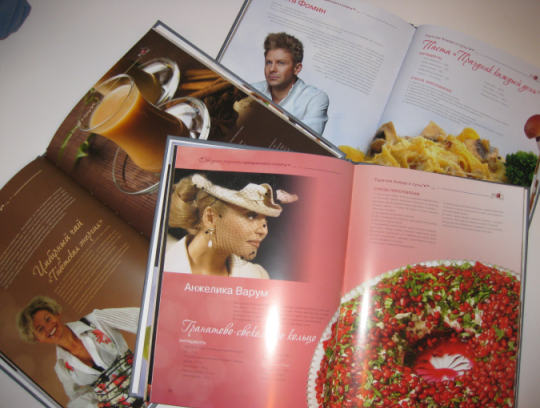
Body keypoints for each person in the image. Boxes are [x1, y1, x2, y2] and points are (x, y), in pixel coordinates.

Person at [16, 296, 144, 408]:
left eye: (48, 319)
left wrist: (151, 359)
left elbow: (143, 319)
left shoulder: (96, 320)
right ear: (38, 339)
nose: (48, 327)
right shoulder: (62, 367)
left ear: (57, 314)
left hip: (150, 388)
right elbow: (76, 398)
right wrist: (93, 406)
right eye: (40, 329)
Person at [164, 172, 297, 278]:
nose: (264, 231)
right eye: (251, 216)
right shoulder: (160, 263)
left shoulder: (258, 276)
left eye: (265, 220)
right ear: (210, 217)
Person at [251, 32, 329, 134]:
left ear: (297, 68)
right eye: (269, 62)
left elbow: (305, 139)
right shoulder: (250, 90)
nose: (272, 69)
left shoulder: (315, 98)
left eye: (280, 63)